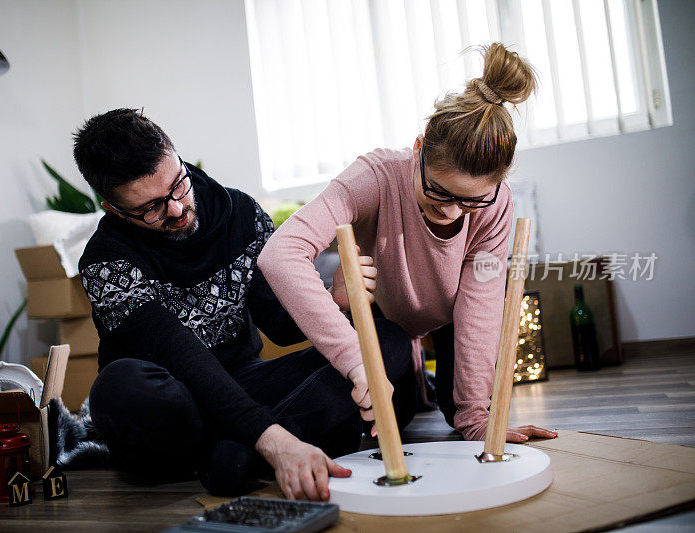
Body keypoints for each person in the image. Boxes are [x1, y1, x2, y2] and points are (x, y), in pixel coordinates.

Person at [72, 109, 417, 501]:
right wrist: (275, 440)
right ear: (114, 209)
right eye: (150, 208)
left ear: (177, 157)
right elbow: (183, 357)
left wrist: (333, 299)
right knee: (120, 389)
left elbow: (282, 324)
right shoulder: (105, 262)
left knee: (385, 340)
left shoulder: (240, 213)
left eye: (178, 185)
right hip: (172, 406)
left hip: (245, 383)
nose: (177, 209)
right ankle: (280, 439)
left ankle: (239, 456)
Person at [258, 43, 558, 443]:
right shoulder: (375, 176)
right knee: (387, 421)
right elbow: (281, 254)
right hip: (387, 319)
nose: (452, 211)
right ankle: (417, 381)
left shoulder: (496, 205)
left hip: (453, 318)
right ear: (418, 151)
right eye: (439, 192)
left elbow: (481, 306)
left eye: (471, 200)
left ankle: (435, 388)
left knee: (460, 416)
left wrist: (476, 416)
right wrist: (354, 361)